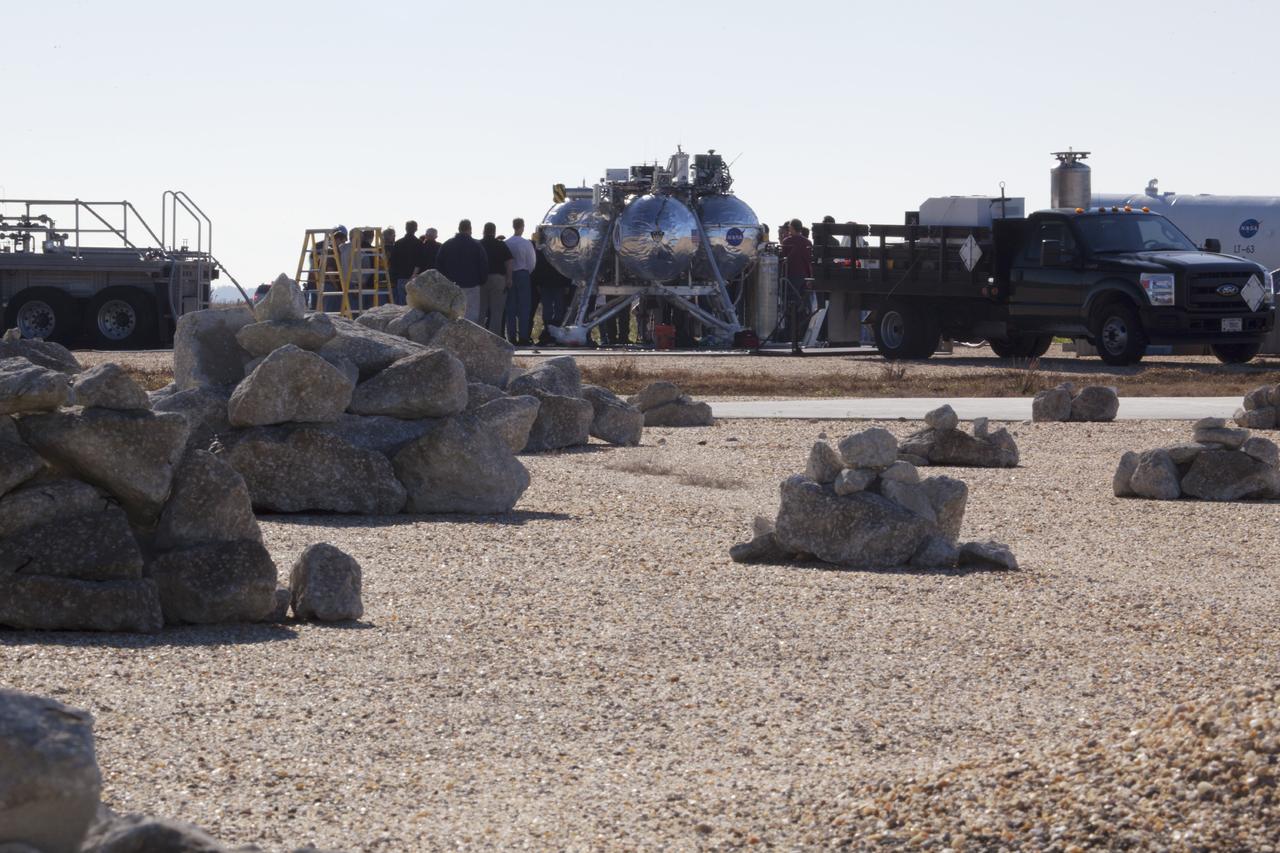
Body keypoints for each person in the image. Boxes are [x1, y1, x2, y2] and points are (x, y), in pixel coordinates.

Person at [435, 219, 489, 323]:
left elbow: (439, 264)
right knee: (471, 314)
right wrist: (482, 280)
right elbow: (483, 264)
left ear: (459, 229)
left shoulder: (447, 244)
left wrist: (443, 281)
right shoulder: (476, 245)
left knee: (452, 314)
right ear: (470, 229)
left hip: (451, 284)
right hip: (472, 284)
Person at [531, 233, 572, 344]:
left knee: (548, 309)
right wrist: (567, 284)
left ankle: (549, 330)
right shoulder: (560, 250)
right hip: (557, 284)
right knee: (558, 308)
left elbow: (537, 268)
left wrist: (537, 283)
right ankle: (555, 330)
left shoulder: (540, 252)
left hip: (546, 284)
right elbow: (565, 269)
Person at [504, 218, 536, 345]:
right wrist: (527, 272)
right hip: (523, 273)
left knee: (510, 307)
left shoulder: (507, 243)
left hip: (509, 274)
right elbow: (532, 261)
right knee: (524, 307)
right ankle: (523, 337)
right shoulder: (526, 243)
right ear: (522, 227)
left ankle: (511, 336)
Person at [479, 222, 512, 335]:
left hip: (481, 280)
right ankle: (494, 337)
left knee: (481, 310)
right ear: (494, 231)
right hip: (498, 279)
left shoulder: (479, 244)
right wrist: (509, 279)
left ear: (484, 231)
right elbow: (509, 262)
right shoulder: (501, 245)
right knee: (496, 312)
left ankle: (479, 336)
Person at [781, 216, 815, 314]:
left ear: (792, 228)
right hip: (805, 276)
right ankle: (804, 323)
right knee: (804, 302)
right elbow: (810, 261)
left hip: (791, 276)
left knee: (790, 302)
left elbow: (784, 259)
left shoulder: (787, 241)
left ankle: (791, 324)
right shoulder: (807, 242)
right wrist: (810, 277)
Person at [390, 220, 424, 305]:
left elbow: (393, 261)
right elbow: (419, 261)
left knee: (402, 303)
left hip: (401, 276)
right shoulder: (419, 243)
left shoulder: (398, 243)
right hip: (414, 276)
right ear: (416, 229)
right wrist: (414, 274)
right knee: (414, 303)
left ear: (406, 228)